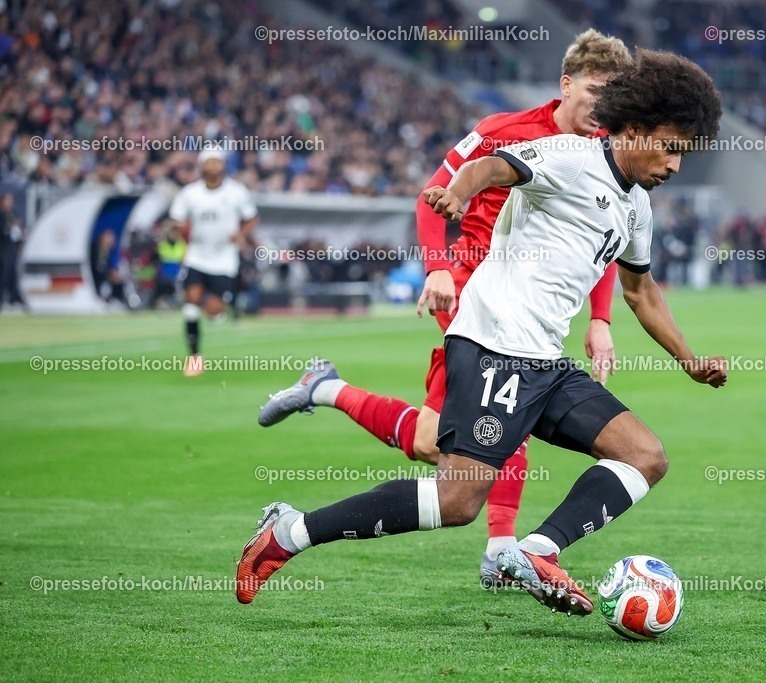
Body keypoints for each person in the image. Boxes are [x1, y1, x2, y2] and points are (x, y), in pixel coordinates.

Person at [236, 49, 728, 616]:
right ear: (636, 129)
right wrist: (462, 194)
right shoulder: (569, 156)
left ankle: (537, 552)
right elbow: (493, 167)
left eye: (684, 154)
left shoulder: (637, 206)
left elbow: (641, 291)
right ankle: (290, 532)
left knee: (645, 456)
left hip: (543, 359)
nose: (674, 166)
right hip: (492, 345)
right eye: (669, 148)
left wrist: (689, 360)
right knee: (457, 500)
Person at [168, 147, 258, 376]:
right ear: (202, 166)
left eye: (217, 162)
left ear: (223, 165)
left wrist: (240, 235)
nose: (213, 167)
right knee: (190, 304)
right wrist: (179, 230)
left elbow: (251, 218)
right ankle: (194, 357)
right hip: (197, 256)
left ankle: (215, 307)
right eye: (209, 163)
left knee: (214, 310)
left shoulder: (236, 192)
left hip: (224, 259)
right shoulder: (189, 194)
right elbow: (177, 220)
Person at [0, 193, 25, 307]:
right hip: (3, 249)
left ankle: (13, 298)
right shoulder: (2, 215)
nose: (10, 203)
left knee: (12, 274)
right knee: (3, 275)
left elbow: (18, 229)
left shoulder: (12, 214)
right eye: (8, 200)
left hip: (11, 249)